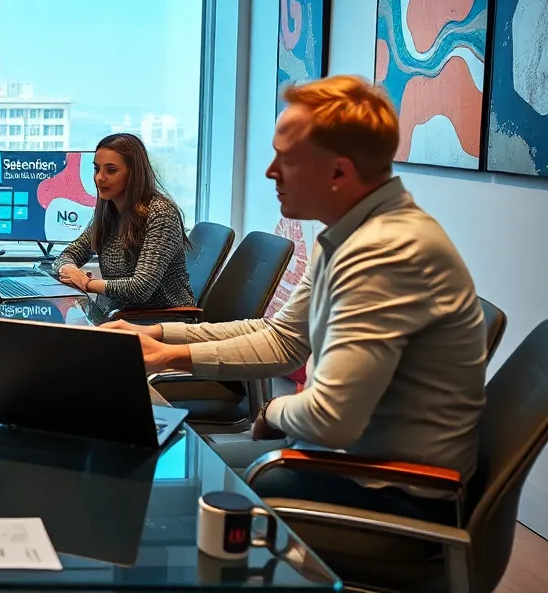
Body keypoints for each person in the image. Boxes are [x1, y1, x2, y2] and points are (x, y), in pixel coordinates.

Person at [114, 76, 485, 525]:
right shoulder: (349, 236)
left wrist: (272, 409)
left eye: (285, 159)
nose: (271, 171)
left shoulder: (386, 252)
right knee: (160, 472)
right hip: (343, 462)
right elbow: (282, 338)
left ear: (338, 173)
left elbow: (331, 418)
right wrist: (161, 338)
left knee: (161, 494)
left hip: (390, 491)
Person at [52, 133, 194, 310]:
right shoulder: (108, 211)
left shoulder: (161, 213)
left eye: (111, 170)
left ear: (133, 174)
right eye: (97, 169)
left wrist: (86, 283)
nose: (100, 178)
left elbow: (141, 288)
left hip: (159, 319)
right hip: (119, 314)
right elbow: (68, 254)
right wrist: (69, 270)